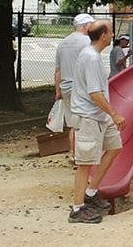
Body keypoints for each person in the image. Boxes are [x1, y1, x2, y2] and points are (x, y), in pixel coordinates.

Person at [68, 20, 126, 224]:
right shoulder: (91, 58)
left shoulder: (92, 55)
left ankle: (91, 193)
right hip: (90, 117)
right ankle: (77, 208)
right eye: (110, 32)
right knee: (85, 163)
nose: (113, 36)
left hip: (100, 116)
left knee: (115, 147)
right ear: (103, 35)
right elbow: (94, 93)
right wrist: (115, 114)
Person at [53, 13, 94, 162]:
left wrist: (58, 91)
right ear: (85, 26)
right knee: (86, 122)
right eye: (91, 24)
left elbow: (58, 70)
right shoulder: (88, 42)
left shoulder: (63, 43)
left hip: (66, 87)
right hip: (82, 88)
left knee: (73, 124)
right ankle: (85, 156)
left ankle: (75, 155)